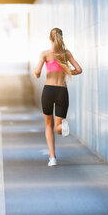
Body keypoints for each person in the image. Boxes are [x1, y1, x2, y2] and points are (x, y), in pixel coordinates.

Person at [33, 28, 82, 167]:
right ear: (61, 37)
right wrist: (67, 71)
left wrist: (36, 74)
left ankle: (52, 158)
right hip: (62, 91)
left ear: (50, 38)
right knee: (58, 126)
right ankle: (62, 127)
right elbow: (79, 69)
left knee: (48, 125)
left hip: (48, 90)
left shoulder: (45, 54)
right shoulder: (66, 54)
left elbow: (37, 72)